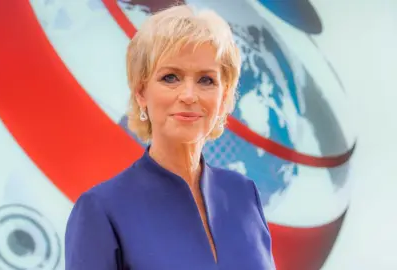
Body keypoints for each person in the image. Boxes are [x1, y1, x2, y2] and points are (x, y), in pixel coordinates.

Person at [64, 4, 275, 270]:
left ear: (223, 98)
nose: (189, 95)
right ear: (141, 93)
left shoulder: (244, 194)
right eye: (171, 77)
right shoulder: (101, 210)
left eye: (206, 80)